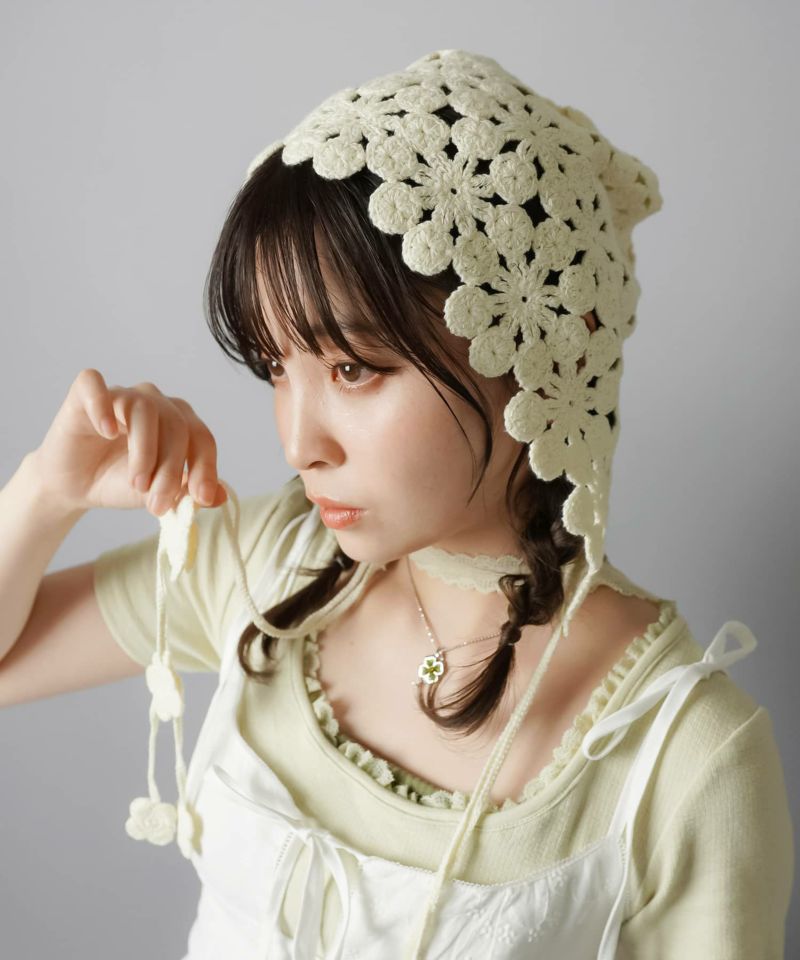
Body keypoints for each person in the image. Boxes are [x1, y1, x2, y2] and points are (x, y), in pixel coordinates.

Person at [0, 48, 793, 959]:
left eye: (352, 368)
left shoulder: (685, 757)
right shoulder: (267, 564)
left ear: (545, 346)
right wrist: (47, 489)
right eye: (275, 367)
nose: (300, 443)